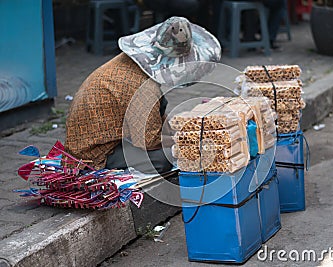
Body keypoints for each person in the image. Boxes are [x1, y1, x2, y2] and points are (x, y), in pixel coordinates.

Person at [64, 16, 221, 174]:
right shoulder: (144, 89)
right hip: (94, 154)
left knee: (164, 118)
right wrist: (185, 138)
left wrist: (182, 127)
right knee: (165, 157)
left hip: (101, 138)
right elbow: (149, 141)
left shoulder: (131, 65)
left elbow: (157, 114)